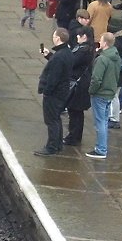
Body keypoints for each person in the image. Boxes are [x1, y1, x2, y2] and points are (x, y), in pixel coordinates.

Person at [35, 26, 77, 156]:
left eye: (54, 36)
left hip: (54, 94)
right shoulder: (67, 53)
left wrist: (46, 91)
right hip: (63, 92)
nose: (52, 38)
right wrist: (49, 55)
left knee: (51, 120)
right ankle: (57, 144)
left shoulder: (59, 57)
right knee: (56, 118)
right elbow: (59, 65)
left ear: (58, 38)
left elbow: (54, 76)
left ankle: (51, 147)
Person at [85, 30, 121, 158]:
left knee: (99, 122)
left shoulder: (102, 59)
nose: (99, 42)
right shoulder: (116, 57)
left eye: (101, 40)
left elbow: (96, 79)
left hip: (100, 94)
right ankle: (102, 147)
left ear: (105, 43)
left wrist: (91, 91)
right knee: (104, 121)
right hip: (110, 93)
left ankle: (101, 149)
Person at [63, 17, 95, 146]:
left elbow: (72, 62)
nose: (77, 38)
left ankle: (73, 137)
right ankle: (76, 136)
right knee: (77, 112)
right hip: (81, 83)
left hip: (78, 85)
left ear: (84, 37)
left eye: (79, 36)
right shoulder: (87, 49)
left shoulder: (83, 51)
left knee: (74, 111)